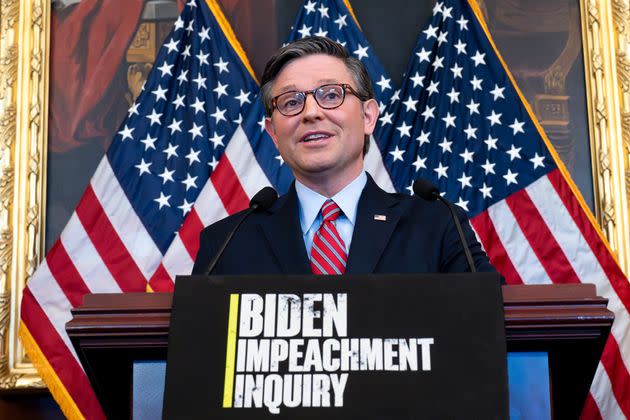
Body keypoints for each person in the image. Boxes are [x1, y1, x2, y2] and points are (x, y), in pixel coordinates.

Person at [192, 36, 494, 275]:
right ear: (272, 132)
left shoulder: (437, 226)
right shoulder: (227, 243)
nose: (311, 113)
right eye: (291, 101)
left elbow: (487, 326)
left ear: (368, 116)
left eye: (331, 95)